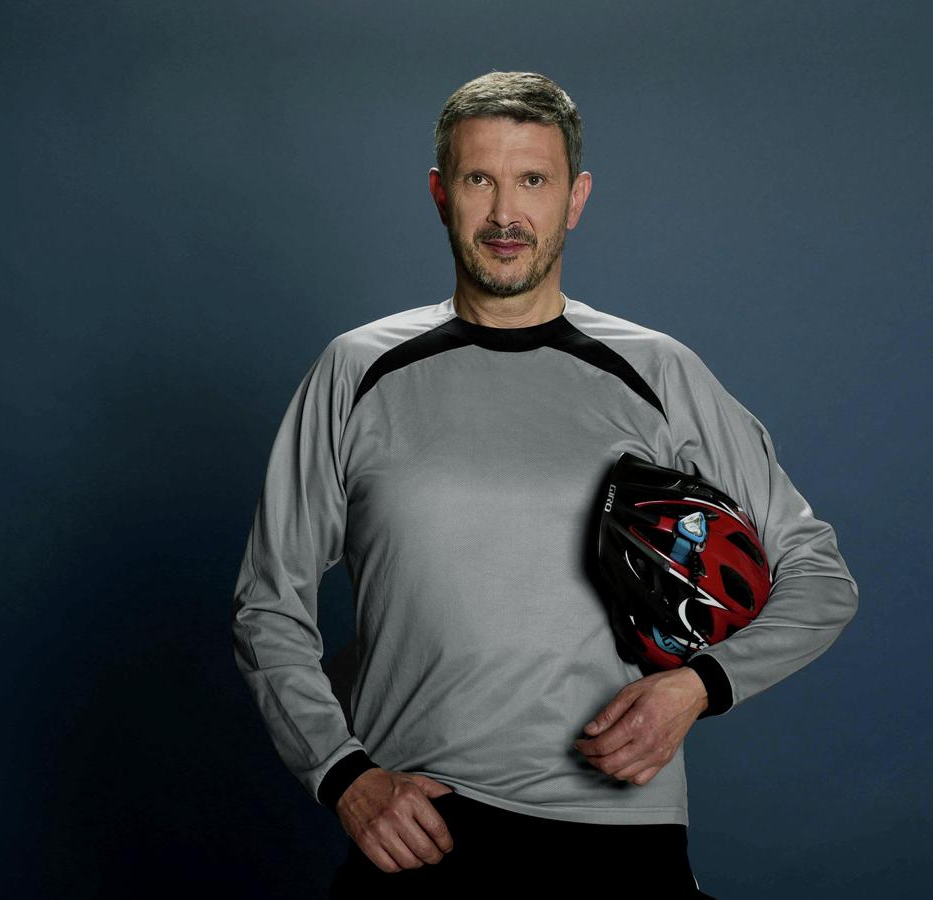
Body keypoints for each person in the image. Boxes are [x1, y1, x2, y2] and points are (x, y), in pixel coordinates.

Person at [230, 70, 859, 897]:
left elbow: (818, 576)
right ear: (438, 193)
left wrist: (697, 688)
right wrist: (343, 776)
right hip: (421, 830)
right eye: (478, 179)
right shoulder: (358, 370)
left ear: (576, 197)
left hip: (618, 838)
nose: (504, 214)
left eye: (533, 180)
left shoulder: (656, 370)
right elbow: (267, 605)